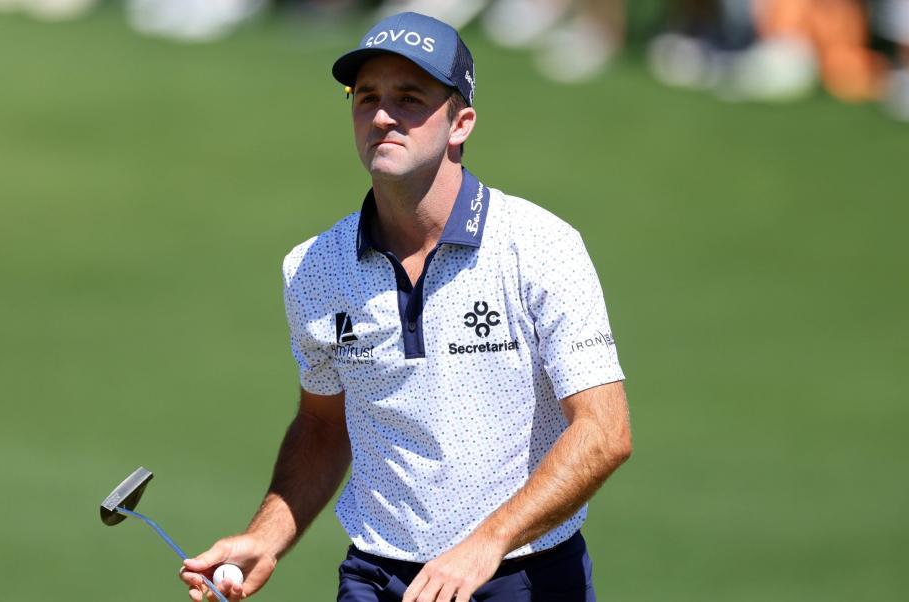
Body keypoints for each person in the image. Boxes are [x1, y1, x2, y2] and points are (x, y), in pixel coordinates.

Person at [179, 11, 632, 602]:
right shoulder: (314, 268)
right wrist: (267, 537)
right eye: (366, 98)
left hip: (524, 576)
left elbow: (605, 431)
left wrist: (484, 544)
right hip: (377, 576)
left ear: (460, 123)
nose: (383, 116)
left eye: (410, 98)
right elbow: (322, 423)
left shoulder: (539, 246)